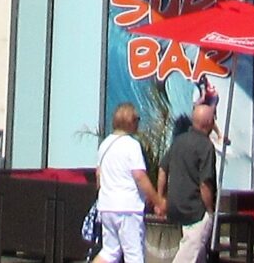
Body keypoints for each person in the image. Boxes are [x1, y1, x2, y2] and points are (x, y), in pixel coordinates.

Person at [94, 104, 165, 263]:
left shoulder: (104, 145)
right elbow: (139, 176)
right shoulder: (132, 145)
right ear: (130, 121)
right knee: (134, 255)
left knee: (109, 252)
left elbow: (98, 176)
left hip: (106, 206)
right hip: (127, 207)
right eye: (137, 119)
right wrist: (158, 201)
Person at [165, 100, 221, 263]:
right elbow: (205, 183)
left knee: (197, 254)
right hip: (196, 209)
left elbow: (162, 169)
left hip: (177, 206)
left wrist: (161, 196)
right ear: (209, 122)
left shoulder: (178, 141)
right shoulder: (205, 146)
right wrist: (210, 210)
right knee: (190, 251)